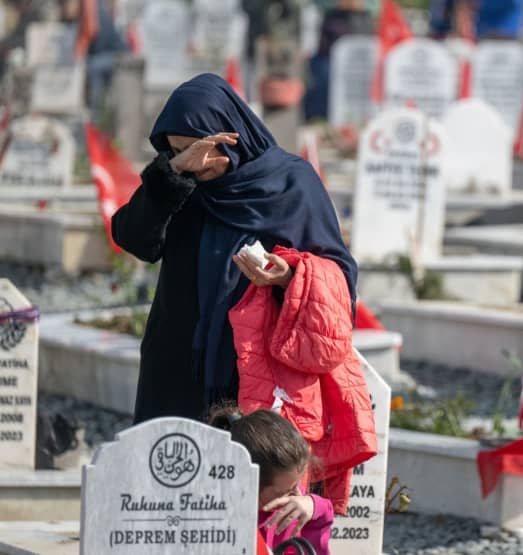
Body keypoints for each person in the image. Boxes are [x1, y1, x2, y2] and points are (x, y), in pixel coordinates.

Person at [111, 73, 357, 424]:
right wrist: (171, 174)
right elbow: (133, 238)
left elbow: (338, 275)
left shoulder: (291, 184)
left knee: (254, 471)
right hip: (179, 368)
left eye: (199, 149)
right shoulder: (183, 185)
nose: (196, 161)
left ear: (229, 135)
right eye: (178, 151)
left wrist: (287, 276)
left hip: (260, 366)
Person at [209, 405, 334, 554]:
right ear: (248, 486)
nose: (298, 496)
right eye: (285, 491)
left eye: (297, 484)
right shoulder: (213, 525)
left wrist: (316, 509)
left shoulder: (291, 509)